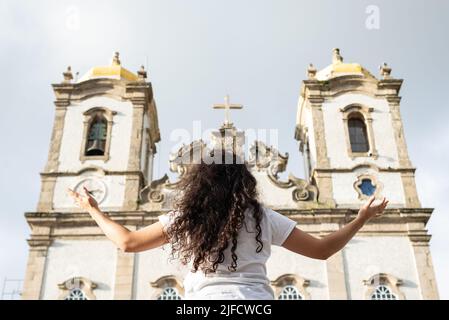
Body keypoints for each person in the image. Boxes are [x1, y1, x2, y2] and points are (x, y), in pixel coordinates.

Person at [67, 150, 388, 300]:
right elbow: (321, 250)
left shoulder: (187, 217)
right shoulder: (262, 216)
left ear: (199, 183)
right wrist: (359, 220)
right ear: (244, 182)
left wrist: (93, 210)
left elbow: (128, 242)